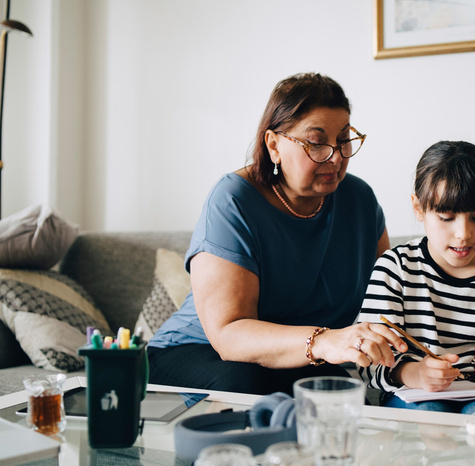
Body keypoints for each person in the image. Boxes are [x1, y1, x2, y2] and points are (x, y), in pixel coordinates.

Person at [147, 72, 407, 396]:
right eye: (316, 142)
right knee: (243, 384)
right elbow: (229, 334)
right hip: (196, 352)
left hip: (294, 357)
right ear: (274, 145)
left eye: (343, 139)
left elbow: (394, 304)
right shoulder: (233, 200)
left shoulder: (360, 200)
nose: (336, 156)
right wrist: (325, 341)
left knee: (339, 392)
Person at [356, 140, 475, 413]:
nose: (463, 234)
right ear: (418, 208)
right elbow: (368, 362)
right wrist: (415, 374)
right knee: (430, 413)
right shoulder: (395, 269)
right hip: (415, 397)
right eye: (446, 217)